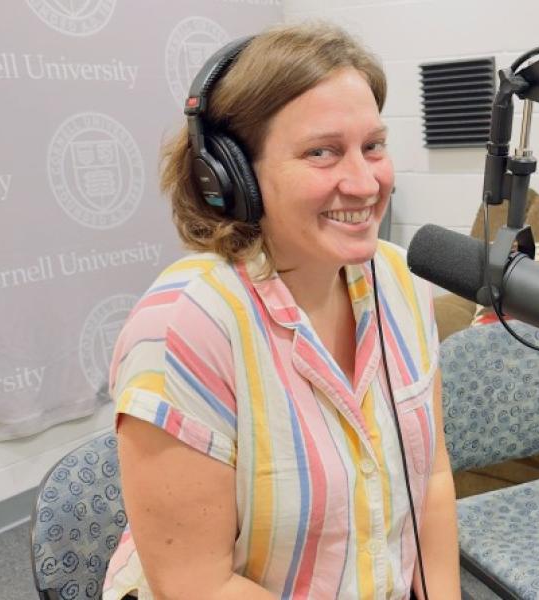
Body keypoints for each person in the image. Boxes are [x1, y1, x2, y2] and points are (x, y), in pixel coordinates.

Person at [102, 22, 460, 600]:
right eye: (322, 152)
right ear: (229, 178)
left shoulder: (398, 280)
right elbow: (197, 585)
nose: (365, 181)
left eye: (373, 146)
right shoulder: (181, 329)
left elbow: (433, 475)